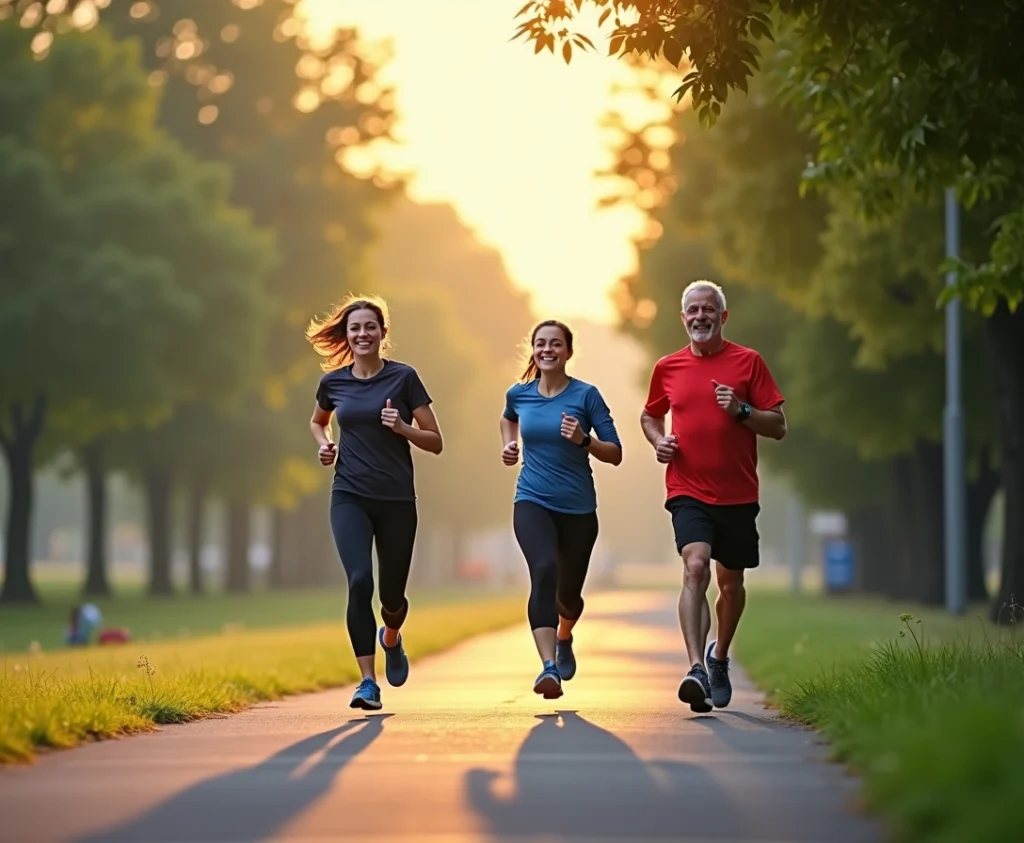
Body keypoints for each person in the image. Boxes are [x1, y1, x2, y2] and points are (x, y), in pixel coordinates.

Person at [640, 280, 786, 713]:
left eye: (708, 310)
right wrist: (658, 441)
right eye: (693, 310)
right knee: (696, 566)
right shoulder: (668, 367)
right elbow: (650, 414)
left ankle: (718, 656)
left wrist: (741, 410)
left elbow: (777, 425)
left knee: (731, 583)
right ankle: (695, 669)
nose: (700, 316)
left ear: (723, 317)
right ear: (683, 318)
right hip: (688, 487)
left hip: (738, 492)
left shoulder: (748, 363)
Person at [306, 295, 443, 711]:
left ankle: (393, 636)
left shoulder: (404, 378)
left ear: (383, 334)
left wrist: (402, 427)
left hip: (397, 499)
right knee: (359, 580)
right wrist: (326, 445)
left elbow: (435, 441)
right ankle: (367, 682)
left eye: (369, 327)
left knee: (392, 598)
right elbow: (317, 421)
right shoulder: (334, 382)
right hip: (349, 495)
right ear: (346, 336)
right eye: (355, 328)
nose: (362, 334)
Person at [501, 320, 622, 699]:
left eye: (555, 344)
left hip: (578, 510)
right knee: (543, 569)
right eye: (540, 343)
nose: (547, 349)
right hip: (532, 499)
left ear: (568, 352)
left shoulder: (587, 396)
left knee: (568, 597)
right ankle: (548, 666)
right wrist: (509, 445)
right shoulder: (519, 394)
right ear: (533, 350)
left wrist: (584, 439)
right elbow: (508, 418)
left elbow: (615, 452)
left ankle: (565, 634)